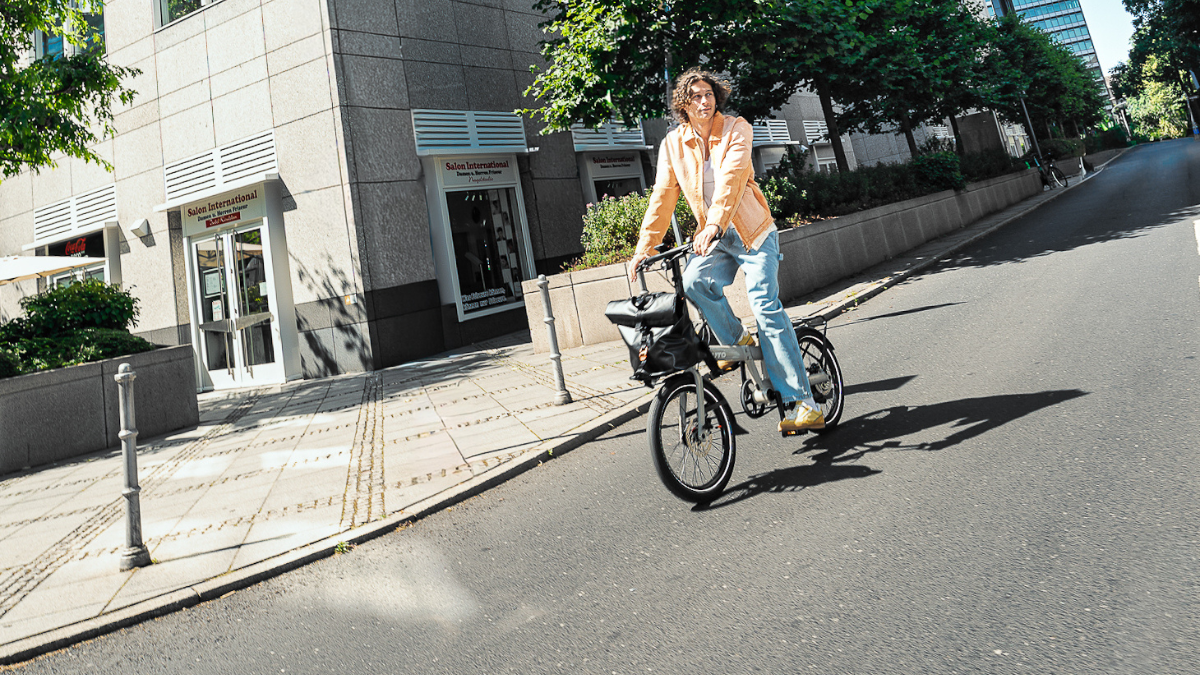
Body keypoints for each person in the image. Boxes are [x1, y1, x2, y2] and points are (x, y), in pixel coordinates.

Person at [627, 69, 823, 433]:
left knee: (765, 306)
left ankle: (803, 402)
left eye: (709, 94)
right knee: (693, 281)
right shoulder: (673, 144)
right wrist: (645, 246)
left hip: (752, 232)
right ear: (683, 104)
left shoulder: (736, 128)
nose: (705, 101)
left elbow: (732, 179)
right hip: (714, 236)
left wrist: (715, 225)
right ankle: (736, 339)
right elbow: (663, 196)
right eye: (696, 96)